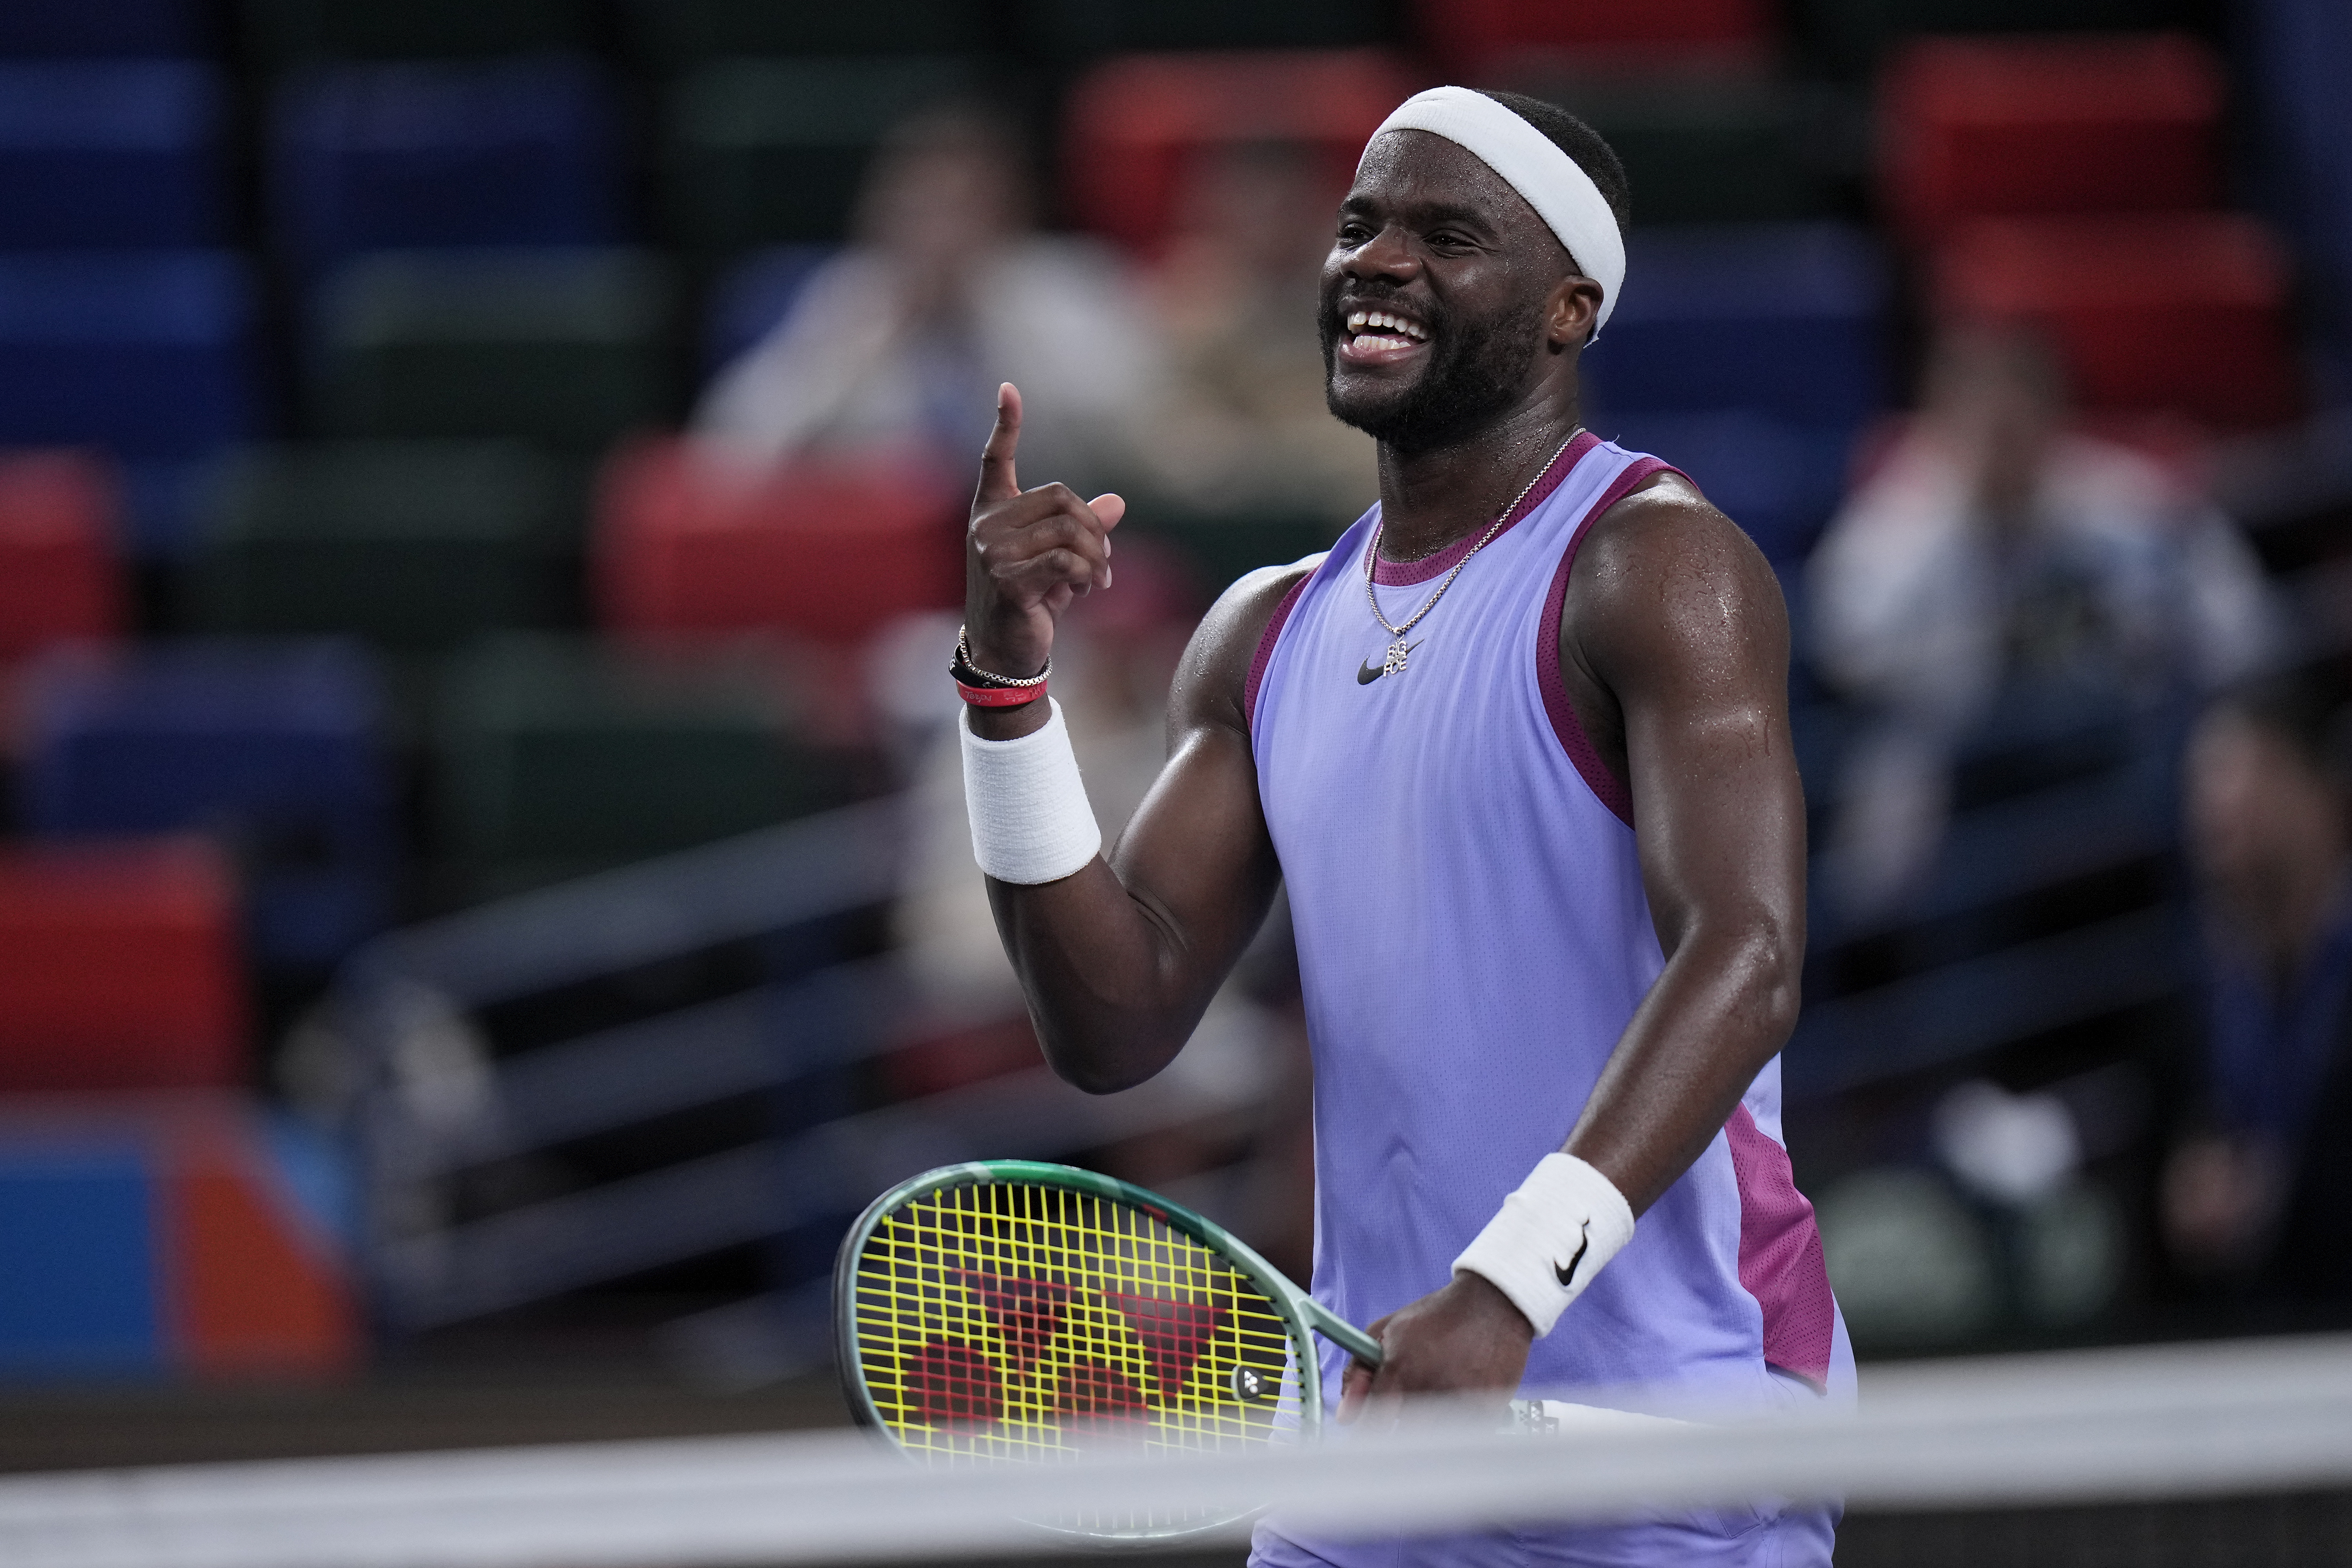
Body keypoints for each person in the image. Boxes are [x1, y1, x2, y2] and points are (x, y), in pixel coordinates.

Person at [955, 86, 1848, 1564]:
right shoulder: (1263, 631)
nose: (1376, 261)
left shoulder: (1655, 565)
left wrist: (1505, 1290)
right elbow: (1110, 1017)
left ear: (1567, 310)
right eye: (1360, 225)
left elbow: (1747, 953)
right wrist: (1004, 683)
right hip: (1370, 1445)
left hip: (1676, 1440)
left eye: (1446, 234)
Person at [1807, 325, 2274, 916]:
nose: (2003, 437)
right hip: (1963, 777)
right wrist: (1968, 536)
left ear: (2054, 411)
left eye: (2019, 412)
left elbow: (2243, 627)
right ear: (1944, 420)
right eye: (1983, 416)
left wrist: (2153, 641)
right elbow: (1846, 647)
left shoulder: (2120, 504)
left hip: (2110, 762)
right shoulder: (1896, 524)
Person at [692, 102, 1159, 495]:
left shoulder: (1064, 287)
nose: (940, 236)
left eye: (960, 211)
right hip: (892, 560)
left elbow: (1130, 440)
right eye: (920, 213)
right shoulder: (853, 295)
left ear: (1007, 213)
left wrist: (992, 323)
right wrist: (854, 355)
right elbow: (731, 446)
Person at [2165, 677, 2352, 1310]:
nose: (2225, 807)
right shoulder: (2202, 992)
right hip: (2245, 1338)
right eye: (2207, 785)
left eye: (2256, 776)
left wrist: (2284, 1195)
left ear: (2325, 798)